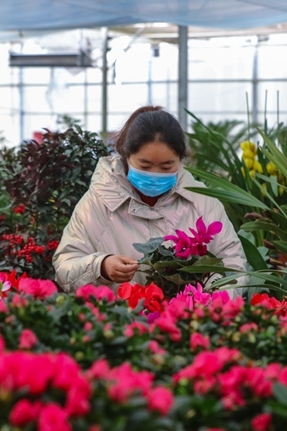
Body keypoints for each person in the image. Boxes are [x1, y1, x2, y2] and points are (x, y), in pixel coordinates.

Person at [53, 105, 247, 293]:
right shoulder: (98, 204)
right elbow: (65, 266)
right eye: (144, 166)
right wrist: (100, 267)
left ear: (181, 160)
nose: (155, 174)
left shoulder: (203, 202)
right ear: (127, 155)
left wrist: (206, 296)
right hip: (121, 322)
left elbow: (233, 265)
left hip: (190, 321)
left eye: (166, 166)